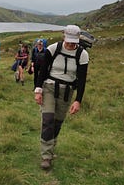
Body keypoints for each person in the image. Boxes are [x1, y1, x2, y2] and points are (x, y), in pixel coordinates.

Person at [34, 25, 89, 170]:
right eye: (69, 40)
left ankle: (51, 146)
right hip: (49, 88)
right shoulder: (52, 49)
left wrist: (78, 100)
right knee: (48, 120)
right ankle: (46, 156)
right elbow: (42, 71)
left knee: (57, 123)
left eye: (74, 41)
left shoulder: (82, 55)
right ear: (63, 36)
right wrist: (38, 90)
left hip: (67, 91)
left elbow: (82, 79)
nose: (71, 44)